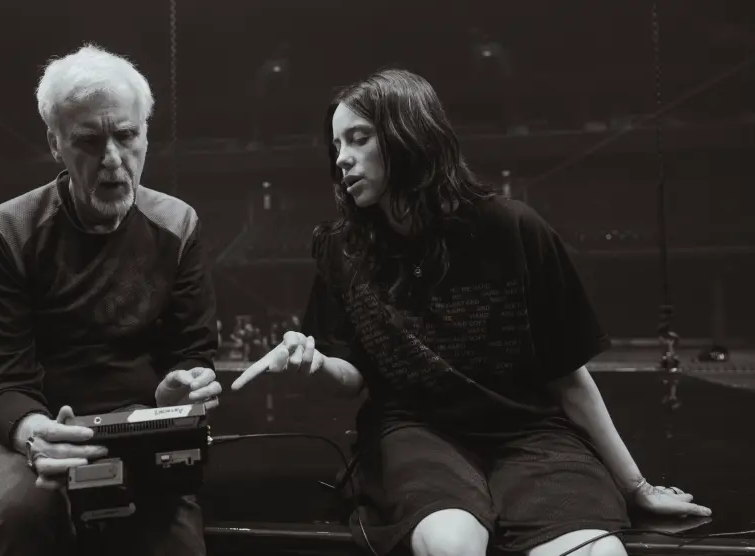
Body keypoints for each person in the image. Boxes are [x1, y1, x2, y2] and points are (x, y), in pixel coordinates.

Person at [231, 69, 710, 556]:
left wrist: (637, 487)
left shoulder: (513, 228)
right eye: (336, 146)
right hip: (415, 432)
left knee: (596, 552)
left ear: (409, 135)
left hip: (530, 435)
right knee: (452, 543)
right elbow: (351, 374)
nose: (341, 159)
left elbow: (569, 378)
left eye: (358, 138)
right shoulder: (342, 249)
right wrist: (314, 364)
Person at [0, 43, 221, 556]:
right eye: (88, 141)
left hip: (140, 423)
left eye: (126, 135)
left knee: (173, 543)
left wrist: (179, 391)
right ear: (55, 144)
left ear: (145, 133)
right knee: (16, 515)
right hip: (32, 422)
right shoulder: (5, 231)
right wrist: (34, 433)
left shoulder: (178, 225)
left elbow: (192, 353)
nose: (113, 160)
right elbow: (2, 379)